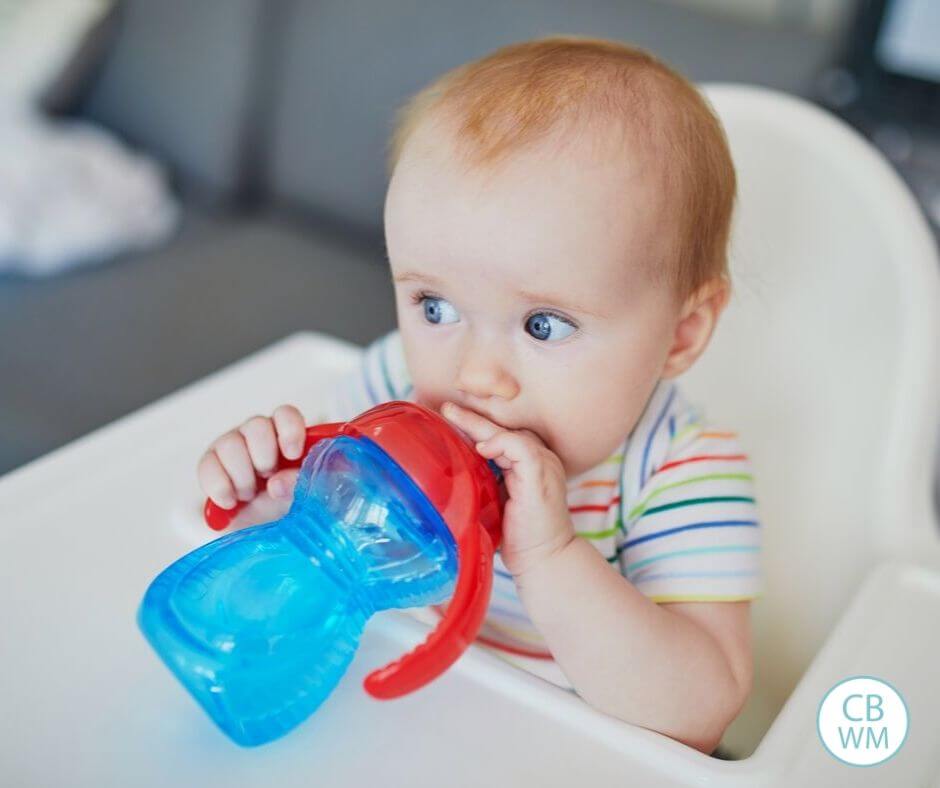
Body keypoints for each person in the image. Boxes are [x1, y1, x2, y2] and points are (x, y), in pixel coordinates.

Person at [197, 36, 762, 755]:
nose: (475, 375)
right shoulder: (391, 389)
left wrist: (552, 556)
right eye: (435, 308)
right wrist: (271, 509)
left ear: (680, 335)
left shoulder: (679, 471)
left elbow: (699, 711)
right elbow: (319, 581)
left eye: (543, 323)